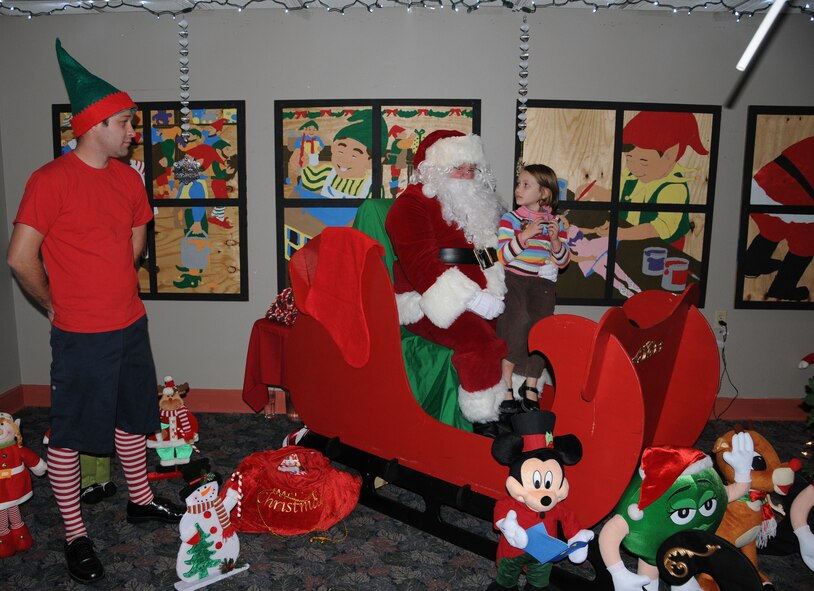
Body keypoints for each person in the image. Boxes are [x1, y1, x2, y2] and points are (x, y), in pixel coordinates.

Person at [6, 39, 184, 584]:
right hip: (81, 334)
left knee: (132, 419)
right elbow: (19, 257)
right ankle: (76, 535)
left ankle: (139, 498)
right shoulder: (49, 180)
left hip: (130, 324)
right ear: (96, 124)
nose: (134, 132)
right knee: (69, 436)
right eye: (126, 123)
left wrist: (112, 283)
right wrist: (57, 304)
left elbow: (136, 239)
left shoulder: (128, 179)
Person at [385, 129, 509, 437]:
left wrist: (495, 288)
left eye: (471, 167)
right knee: (476, 338)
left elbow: (486, 251)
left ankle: (509, 403)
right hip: (425, 299)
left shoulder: (474, 206)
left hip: (479, 293)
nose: (467, 174)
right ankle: (482, 421)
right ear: (434, 168)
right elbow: (422, 266)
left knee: (519, 324)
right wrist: (473, 300)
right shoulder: (410, 205)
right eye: (458, 166)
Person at [495, 164, 570, 419]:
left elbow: (562, 261)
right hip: (514, 279)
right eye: (518, 183)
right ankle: (505, 383)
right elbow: (502, 256)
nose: (518, 189)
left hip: (541, 283)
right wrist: (524, 235)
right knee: (517, 322)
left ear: (544, 195)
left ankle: (531, 384)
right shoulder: (511, 219)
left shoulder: (554, 223)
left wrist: (556, 241)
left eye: (526, 185)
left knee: (541, 329)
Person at [579, 111, 709, 251]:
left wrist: (619, 233)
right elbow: (618, 199)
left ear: (670, 155)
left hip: (661, 252)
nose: (634, 167)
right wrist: (595, 192)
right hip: (628, 242)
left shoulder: (674, 188)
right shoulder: (630, 175)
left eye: (644, 161)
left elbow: (653, 230)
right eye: (629, 158)